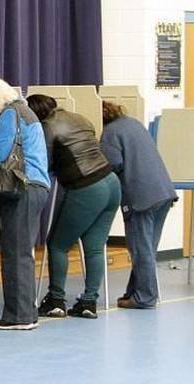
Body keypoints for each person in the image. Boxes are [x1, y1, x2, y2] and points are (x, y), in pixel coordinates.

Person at [27, 95, 121, 319]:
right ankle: (89, 303)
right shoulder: (80, 117)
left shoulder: (47, 127)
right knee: (95, 247)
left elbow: (45, 161)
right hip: (111, 182)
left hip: (86, 187)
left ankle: (56, 300)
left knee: (57, 244)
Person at [0, 79, 51, 330]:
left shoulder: (9, 114)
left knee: (16, 254)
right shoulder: (27, 112)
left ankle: (19, 316)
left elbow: (1, 150)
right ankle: (26, 312)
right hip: (36, 187)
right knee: (22, 252)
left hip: (22, 188)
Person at [100, 101, 178, 309]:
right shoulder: (132, 123)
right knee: (147, 247)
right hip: (163, 191)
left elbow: (112, 163)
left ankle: (145, 297)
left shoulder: (109, 132)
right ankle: (134, 292)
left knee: (140, 248)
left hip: (141, 197)